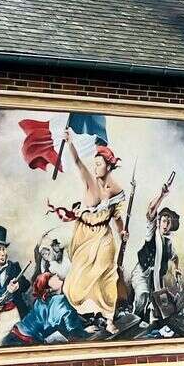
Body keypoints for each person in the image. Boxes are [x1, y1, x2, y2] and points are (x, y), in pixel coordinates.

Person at [60, 127, 127, 333]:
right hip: (85, 234)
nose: (95, 167)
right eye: (95, 163)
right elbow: (78, 163)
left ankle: (108, 319)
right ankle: (87, 317)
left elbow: (117, 217)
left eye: (99, 164)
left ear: (108, 166)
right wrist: (70, 142)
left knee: (108, 276)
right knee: (78, 279)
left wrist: (122, 231)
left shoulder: (116, 190)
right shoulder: (91, 181)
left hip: (104, 236)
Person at [132, 178, 181, 325]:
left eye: (169, 222)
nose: (165, 225)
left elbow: (175, 257)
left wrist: (176, 269)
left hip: (157, 278)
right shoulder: (152, 232)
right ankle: (135, 320)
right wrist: (162, 195)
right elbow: (151, 211)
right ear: (159, 222)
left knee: (163, 307)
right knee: (142, 295)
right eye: (164, 221)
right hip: (142, 272)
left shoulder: (168, 243)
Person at [4, 273, 89, 346]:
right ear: (48, 288)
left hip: (16, 333)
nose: (55, 275)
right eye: (50, 277)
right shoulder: (60, 301)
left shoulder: (40, 300)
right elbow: (74, 330)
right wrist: (86, 331)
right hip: (25, 340)